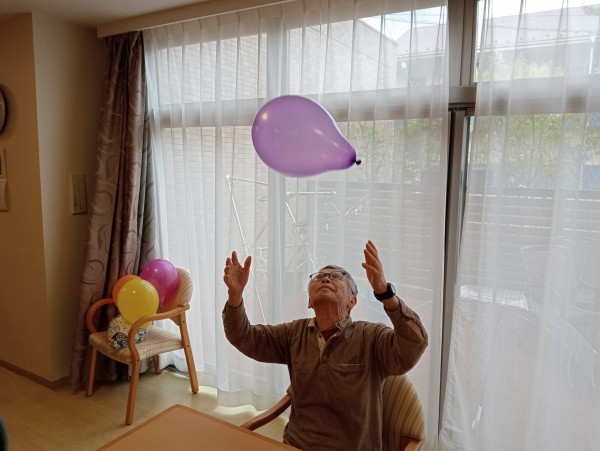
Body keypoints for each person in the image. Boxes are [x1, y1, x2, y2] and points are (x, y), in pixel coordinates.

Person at [222, 240, 428, 451]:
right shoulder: (294, 333)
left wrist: (385, 293)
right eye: (319, 277)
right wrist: (235, 296)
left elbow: (414, 343)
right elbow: (244, 337)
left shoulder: (370, 337)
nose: (326, 278)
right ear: (310, 302)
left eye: (337, 276)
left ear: (352, 301)